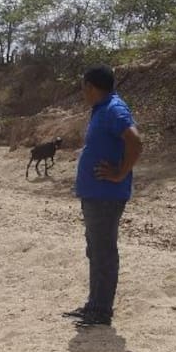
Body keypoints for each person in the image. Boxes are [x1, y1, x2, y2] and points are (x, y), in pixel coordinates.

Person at [63, 65, 143, 328]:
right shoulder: (103, 109)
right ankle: (94, 305)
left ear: (90, 86)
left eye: (83, 87)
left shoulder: (113, 109)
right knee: (96, 250)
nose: (82, 92)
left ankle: (101, 311)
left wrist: (120, 174)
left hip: (106, 196)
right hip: (96, 195)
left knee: (104, 252)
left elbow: (135, 141)